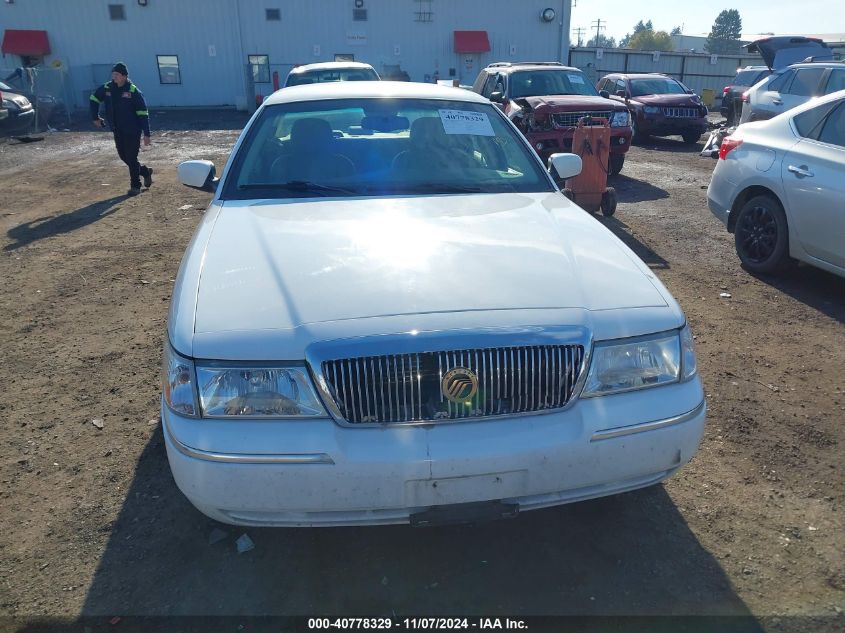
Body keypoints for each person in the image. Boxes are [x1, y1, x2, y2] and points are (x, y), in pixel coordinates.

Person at [89, 62, 152, 196]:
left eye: (117, 75)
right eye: (113, 74)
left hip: (132, 131)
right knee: (124, 157)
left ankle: (135, 186)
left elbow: (143, 113)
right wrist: (95, 117)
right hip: (117, 130)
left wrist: (146, 133)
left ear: (124, 76)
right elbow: (94, 98)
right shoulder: (107, 88)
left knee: (131, 157)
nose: (114, 77)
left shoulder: (133, 91)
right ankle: (145, 171)